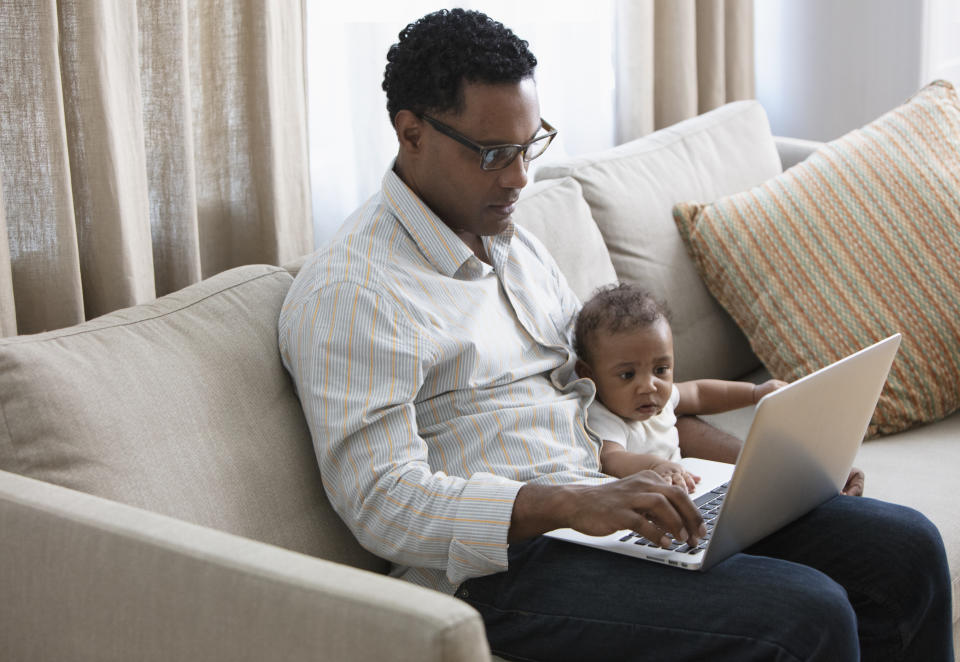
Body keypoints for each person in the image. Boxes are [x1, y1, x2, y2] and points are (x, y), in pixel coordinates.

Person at [278, 8, 953, 660]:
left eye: (530, 144)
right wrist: (577, 501)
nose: (519, 177)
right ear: (411, 132)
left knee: (906, 549)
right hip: (505, 569)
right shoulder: (355, 293)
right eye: (493, 154)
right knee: (806, 613)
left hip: (610, 506)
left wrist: (761, 474)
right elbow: (381, 501)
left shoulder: (508, 241)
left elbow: (621, 398)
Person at [575, 282, 787, 491]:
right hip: (651, 505)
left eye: (660, 369)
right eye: (627, 375)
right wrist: (655, 466)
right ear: (589, 375)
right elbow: (612, 458)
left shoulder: (659, 399)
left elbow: (699, 393)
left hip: (687, 488)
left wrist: (756, 393)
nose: (649, 386)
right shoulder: (601, 417)